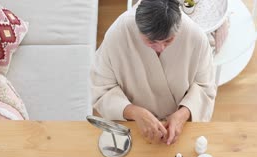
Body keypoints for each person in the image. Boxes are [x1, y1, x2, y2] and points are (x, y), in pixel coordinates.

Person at [91, 0, 216, 145]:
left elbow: (205, 87)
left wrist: (183, 114)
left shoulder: (195, 37)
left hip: (179, 127)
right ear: (138, 28)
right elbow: (101, 89)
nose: (160, 48)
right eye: (151, 42)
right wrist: (134, 112)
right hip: (134, 125)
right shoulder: (118, 34)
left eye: (168, 41)